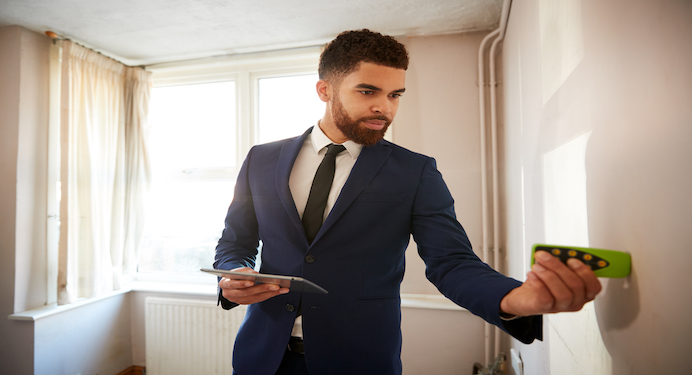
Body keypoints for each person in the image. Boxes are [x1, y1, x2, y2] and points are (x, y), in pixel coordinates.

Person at [214, 29, 602, 375]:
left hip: (359, 359)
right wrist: (233, 275)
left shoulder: (416, 172)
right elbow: (236, 242)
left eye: (395, 94)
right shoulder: (261, 159)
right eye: (368, 91)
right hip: (262, 356)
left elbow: (452, 262)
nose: (385, 108)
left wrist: (516, 298)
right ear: (325, 90)